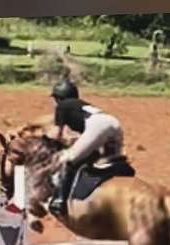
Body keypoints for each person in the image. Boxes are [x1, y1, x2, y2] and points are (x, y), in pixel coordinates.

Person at [47, 79, 125, 216]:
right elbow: (90, 136)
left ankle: (60, 200)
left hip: (97, 126)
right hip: (114, 123)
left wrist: (47, 140)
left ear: (60, 97)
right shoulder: (83, 106)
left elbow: (57, 135)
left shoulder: (63, 106)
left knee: (68, 160)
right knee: (110, 162)